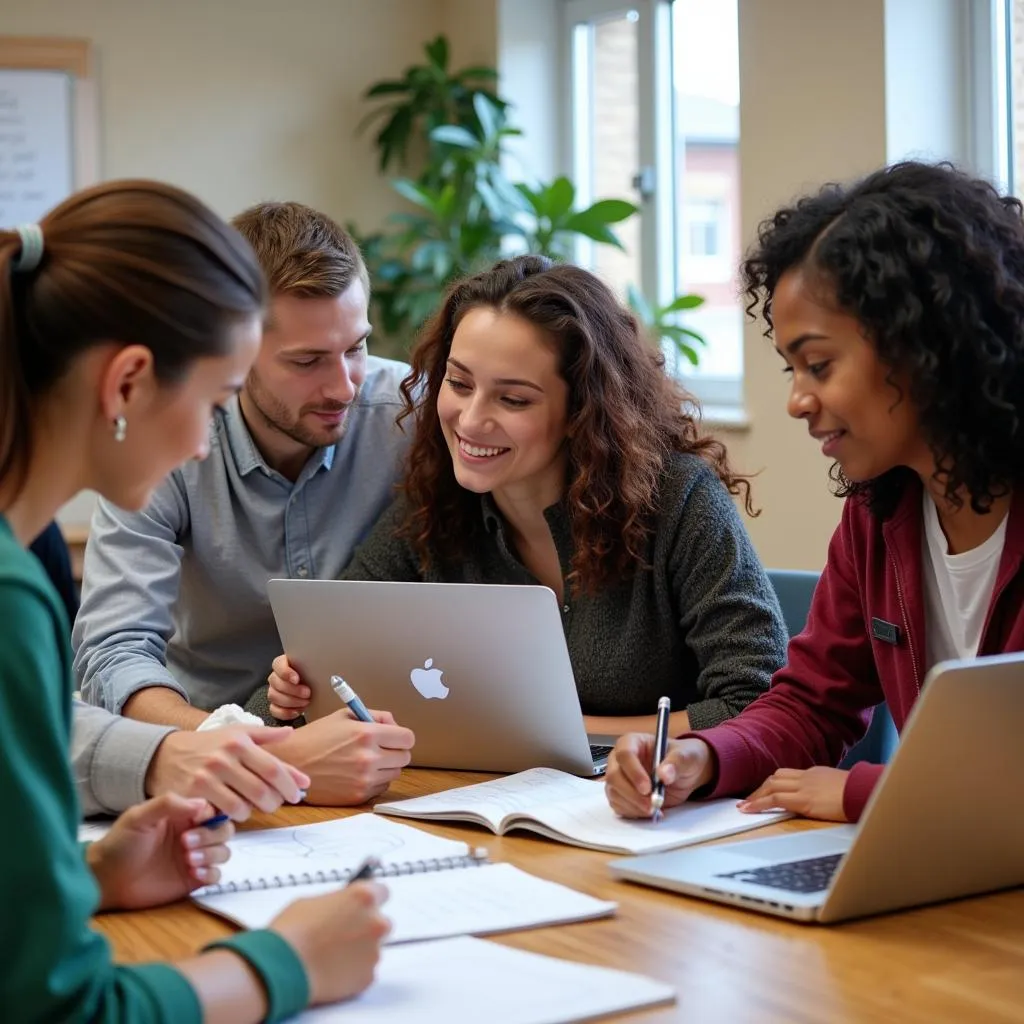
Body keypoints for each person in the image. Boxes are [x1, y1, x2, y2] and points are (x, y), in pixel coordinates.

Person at [0, 181, 389, 1020]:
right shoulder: (11, 591)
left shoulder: (19, 564)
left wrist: (93, 880)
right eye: (217, 400)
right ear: (129, 382)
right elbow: (62, 1009)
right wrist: (284, 962)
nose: (210, 441)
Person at [604, 161, 1024, 824]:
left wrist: (864, 792)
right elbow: (811, 704)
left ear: (924, 344)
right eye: (793, 368)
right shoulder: (880, 513)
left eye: (819, 365)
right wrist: (702, 756)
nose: (798, 400)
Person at [265, 256, 787, 734]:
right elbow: (325, 658)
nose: (470, 421)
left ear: (584, 411)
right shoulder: (435, 505)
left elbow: (762, 704)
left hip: (657, 813)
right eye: (460, 384)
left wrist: (570, 731)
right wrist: (291, 694)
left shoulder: (677, 499)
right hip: (488, 812)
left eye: (513, 399)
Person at [72, 201, 416, 810]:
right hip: (197, 757)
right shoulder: (167, 435)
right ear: (231, 350)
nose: (343, 386)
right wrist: (227, 743)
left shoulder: (412, 415)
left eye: (357, 348)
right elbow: (113, 653)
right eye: (307, 361)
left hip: (390, 757)